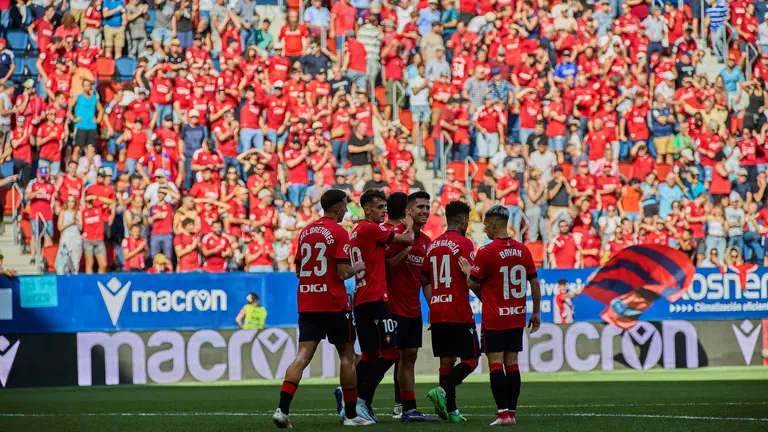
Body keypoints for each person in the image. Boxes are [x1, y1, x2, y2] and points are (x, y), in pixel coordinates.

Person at [274, 189, 373, 428]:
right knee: (347, 357)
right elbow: (342, 272)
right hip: (333, 303)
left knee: (301, 357)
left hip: (308, 302)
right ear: (338, 208)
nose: (346, 211)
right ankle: (351, 416)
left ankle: (282, 410)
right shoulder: (339, 231)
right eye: (345, 207)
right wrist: (357, 266)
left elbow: (298, 270)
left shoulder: (306, 231)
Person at [342, 188, 415, 422]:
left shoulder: (357, 231)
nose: (384, 212)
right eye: (380, 208)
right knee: (391, 353)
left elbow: (385, 259)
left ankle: (349, 400)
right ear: (367, 209)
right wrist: (410, 224)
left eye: (385, 207)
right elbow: (407, 239)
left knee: (370, 355)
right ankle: (361, 400)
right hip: (375, 299)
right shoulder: (371, 229)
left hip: (362, 299)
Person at [465, 205, 541, 426]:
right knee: (513, 363)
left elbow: (472, 282)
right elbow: (534, 282)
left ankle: (502, 414)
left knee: (496, 363)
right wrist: (535, 312)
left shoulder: (487, 252)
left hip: (495, 318)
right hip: (516, 316)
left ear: (493, 224)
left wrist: (466, 273)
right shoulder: (523, 250)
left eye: (485, 224)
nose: (484, 228)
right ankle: (513, 414)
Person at [423, 200, 479, 423]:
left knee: (446, 362)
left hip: (438, 311)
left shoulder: (432, 245)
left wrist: (433, 302)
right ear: (464, 220)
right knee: (472, 359)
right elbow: (472, 278)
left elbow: (424, 278)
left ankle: (452, 411)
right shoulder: (465, 244)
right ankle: (442, 390)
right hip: (458, 310)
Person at [384, 191, 436, 422]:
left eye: (428, 207)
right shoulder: (394, 235)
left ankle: (408, 408)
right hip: (391, 308)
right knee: (382, 358)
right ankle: (355, 399)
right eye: (420, 207)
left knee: (410, 356)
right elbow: (384, 268)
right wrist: (406, 249)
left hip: (413, 309)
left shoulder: (426, 242)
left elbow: (425, 280)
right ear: (408, 211)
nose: (425, 211)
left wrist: (432, 307)